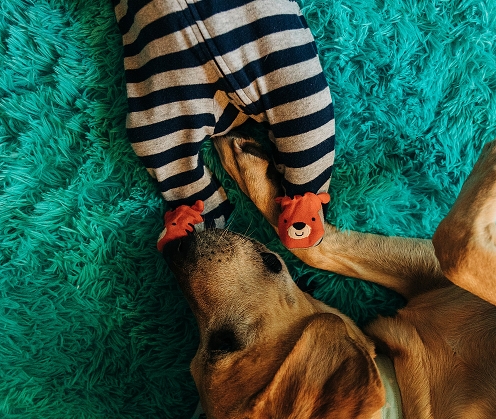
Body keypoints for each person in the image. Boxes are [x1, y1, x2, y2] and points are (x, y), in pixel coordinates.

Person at [113, 0, 335, 250]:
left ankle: (304, 196)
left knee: (303, 99)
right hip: (171, 67)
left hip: (263, 38)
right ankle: (195, 210)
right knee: (154, 135)